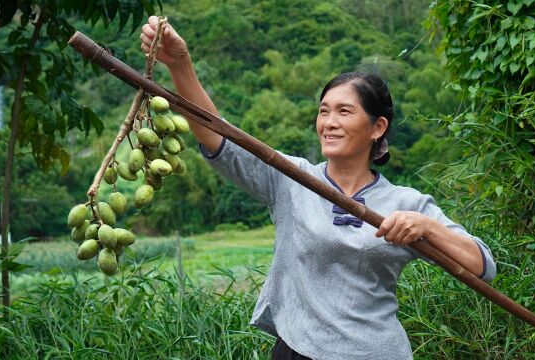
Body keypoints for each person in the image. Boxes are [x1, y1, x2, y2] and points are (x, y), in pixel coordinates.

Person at [141, 16, 496, 360]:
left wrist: (427, 226)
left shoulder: (405, 202)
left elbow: (482, 266)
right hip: (297, 349)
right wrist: (181, 65)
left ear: (377, 127)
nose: (329, 122)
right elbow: (220, 136)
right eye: (324, 111)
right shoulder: (292, 178)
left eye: (344, 112)